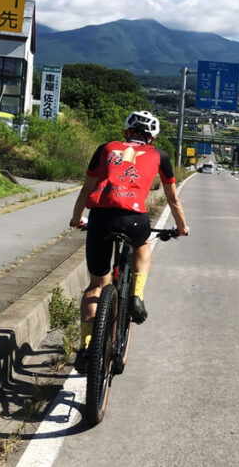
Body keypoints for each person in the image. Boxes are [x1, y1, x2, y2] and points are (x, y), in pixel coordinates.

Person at [69, 110, 188, 353]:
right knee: (142, 245)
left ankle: (87, 346)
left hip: (101, 218)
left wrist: (75, 219)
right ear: (152, 137)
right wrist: (182, 227)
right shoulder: (160, 156)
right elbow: (172, 199)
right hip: (134, 219)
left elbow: (86, 189)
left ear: (126, 131)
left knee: (96, 286)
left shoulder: (106, 148)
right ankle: (136, 294)